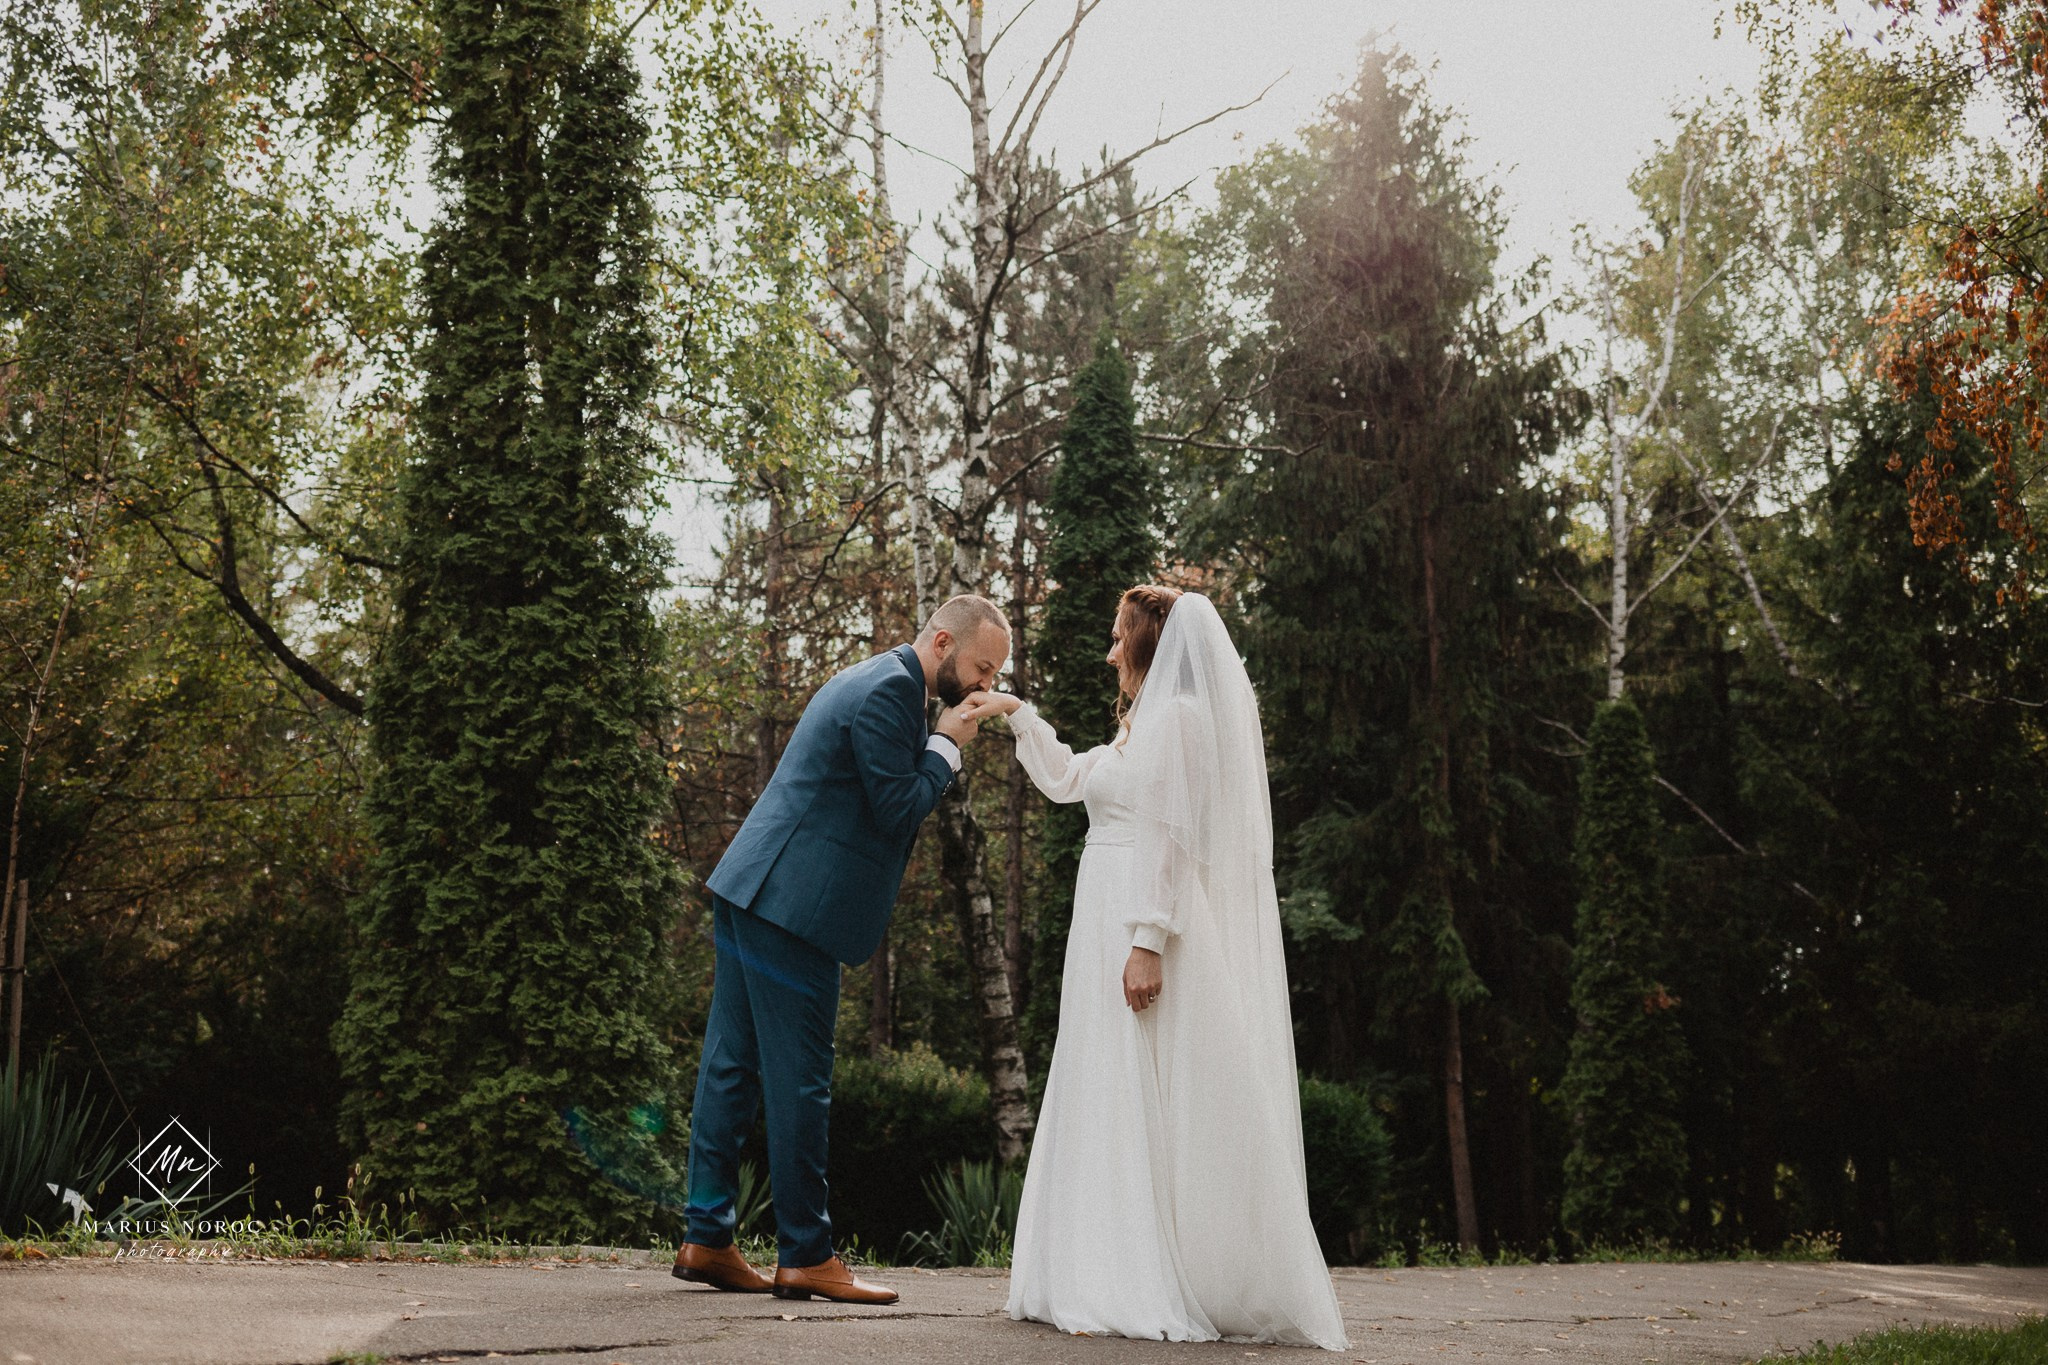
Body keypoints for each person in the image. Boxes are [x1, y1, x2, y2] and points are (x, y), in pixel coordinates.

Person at [959, 586, 1349, 1350]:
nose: (1109, 651)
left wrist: (1148, 939)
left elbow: (1174, 839)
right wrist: (1016, 713)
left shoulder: (1182, 723)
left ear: (1149, 645)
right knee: (1107, 1078)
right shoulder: (1140, 729)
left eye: (1116, 637)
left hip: (1141, 919)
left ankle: (1154, 1271)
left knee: (1150, 1084)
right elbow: (1071, 780)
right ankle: (1098, 1261)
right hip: (1104, 915)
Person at [671, 595, 1011, 1303]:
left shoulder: (877, 678)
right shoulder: (894, 691)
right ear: (943, 641)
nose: (984, 686)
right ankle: (806, 1252)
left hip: (755, 890)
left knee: (731, 1067)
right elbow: (895, 809)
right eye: (981, 667)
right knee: (800, 1079)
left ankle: (707, 1235)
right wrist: (947, 744)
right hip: (794, 908)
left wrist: (939, 731)